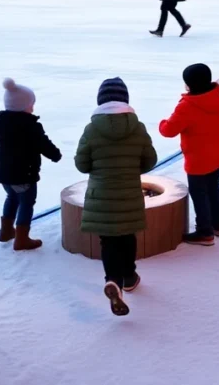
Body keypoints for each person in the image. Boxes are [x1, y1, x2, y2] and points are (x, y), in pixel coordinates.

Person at [75, 77, 158, 317]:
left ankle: (113, 280)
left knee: (109, 240)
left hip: (101, 194)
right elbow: (150, 160)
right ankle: (129, 276)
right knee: (127, 235)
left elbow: (82, 164)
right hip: (129, 193)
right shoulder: (137, 126)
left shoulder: (91, 129)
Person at [0, 78, 62, 251]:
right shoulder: (30, 126)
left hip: (3, 173)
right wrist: (55, 155)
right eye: (31, 104)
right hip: (22, 173)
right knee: (27, 202)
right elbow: (43, 144)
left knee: (12, 197)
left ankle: (6, 231)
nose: (33, 107)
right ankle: (21, 239)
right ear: (24, 106)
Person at [158, 63, 219, 246]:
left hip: (198, 159)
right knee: (214, 188)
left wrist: (162, 122)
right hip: (218, 153)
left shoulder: (188, 106)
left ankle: (205, 232)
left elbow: (168, 130)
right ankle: (218, 225)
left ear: (190, 85)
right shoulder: (215, 97)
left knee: (199, 194)